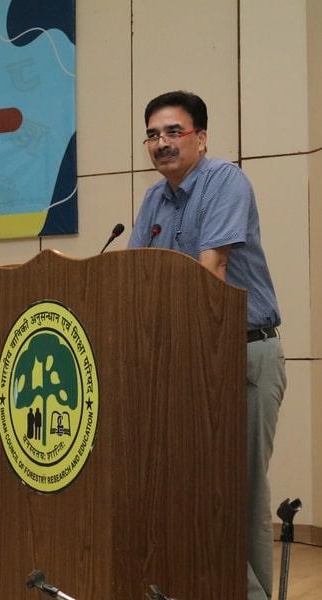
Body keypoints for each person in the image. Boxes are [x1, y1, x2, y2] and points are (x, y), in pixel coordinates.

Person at [128, 91, 285, 600]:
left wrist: (189, 354)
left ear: (200, 137)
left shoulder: (225, 181)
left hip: (242, 353)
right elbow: (134, 279)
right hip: (181, 358)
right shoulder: (154, 200)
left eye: (174, 132)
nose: (162, 143)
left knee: (239, 488)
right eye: (153, 135)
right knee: (190, 485)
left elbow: (211, 268)